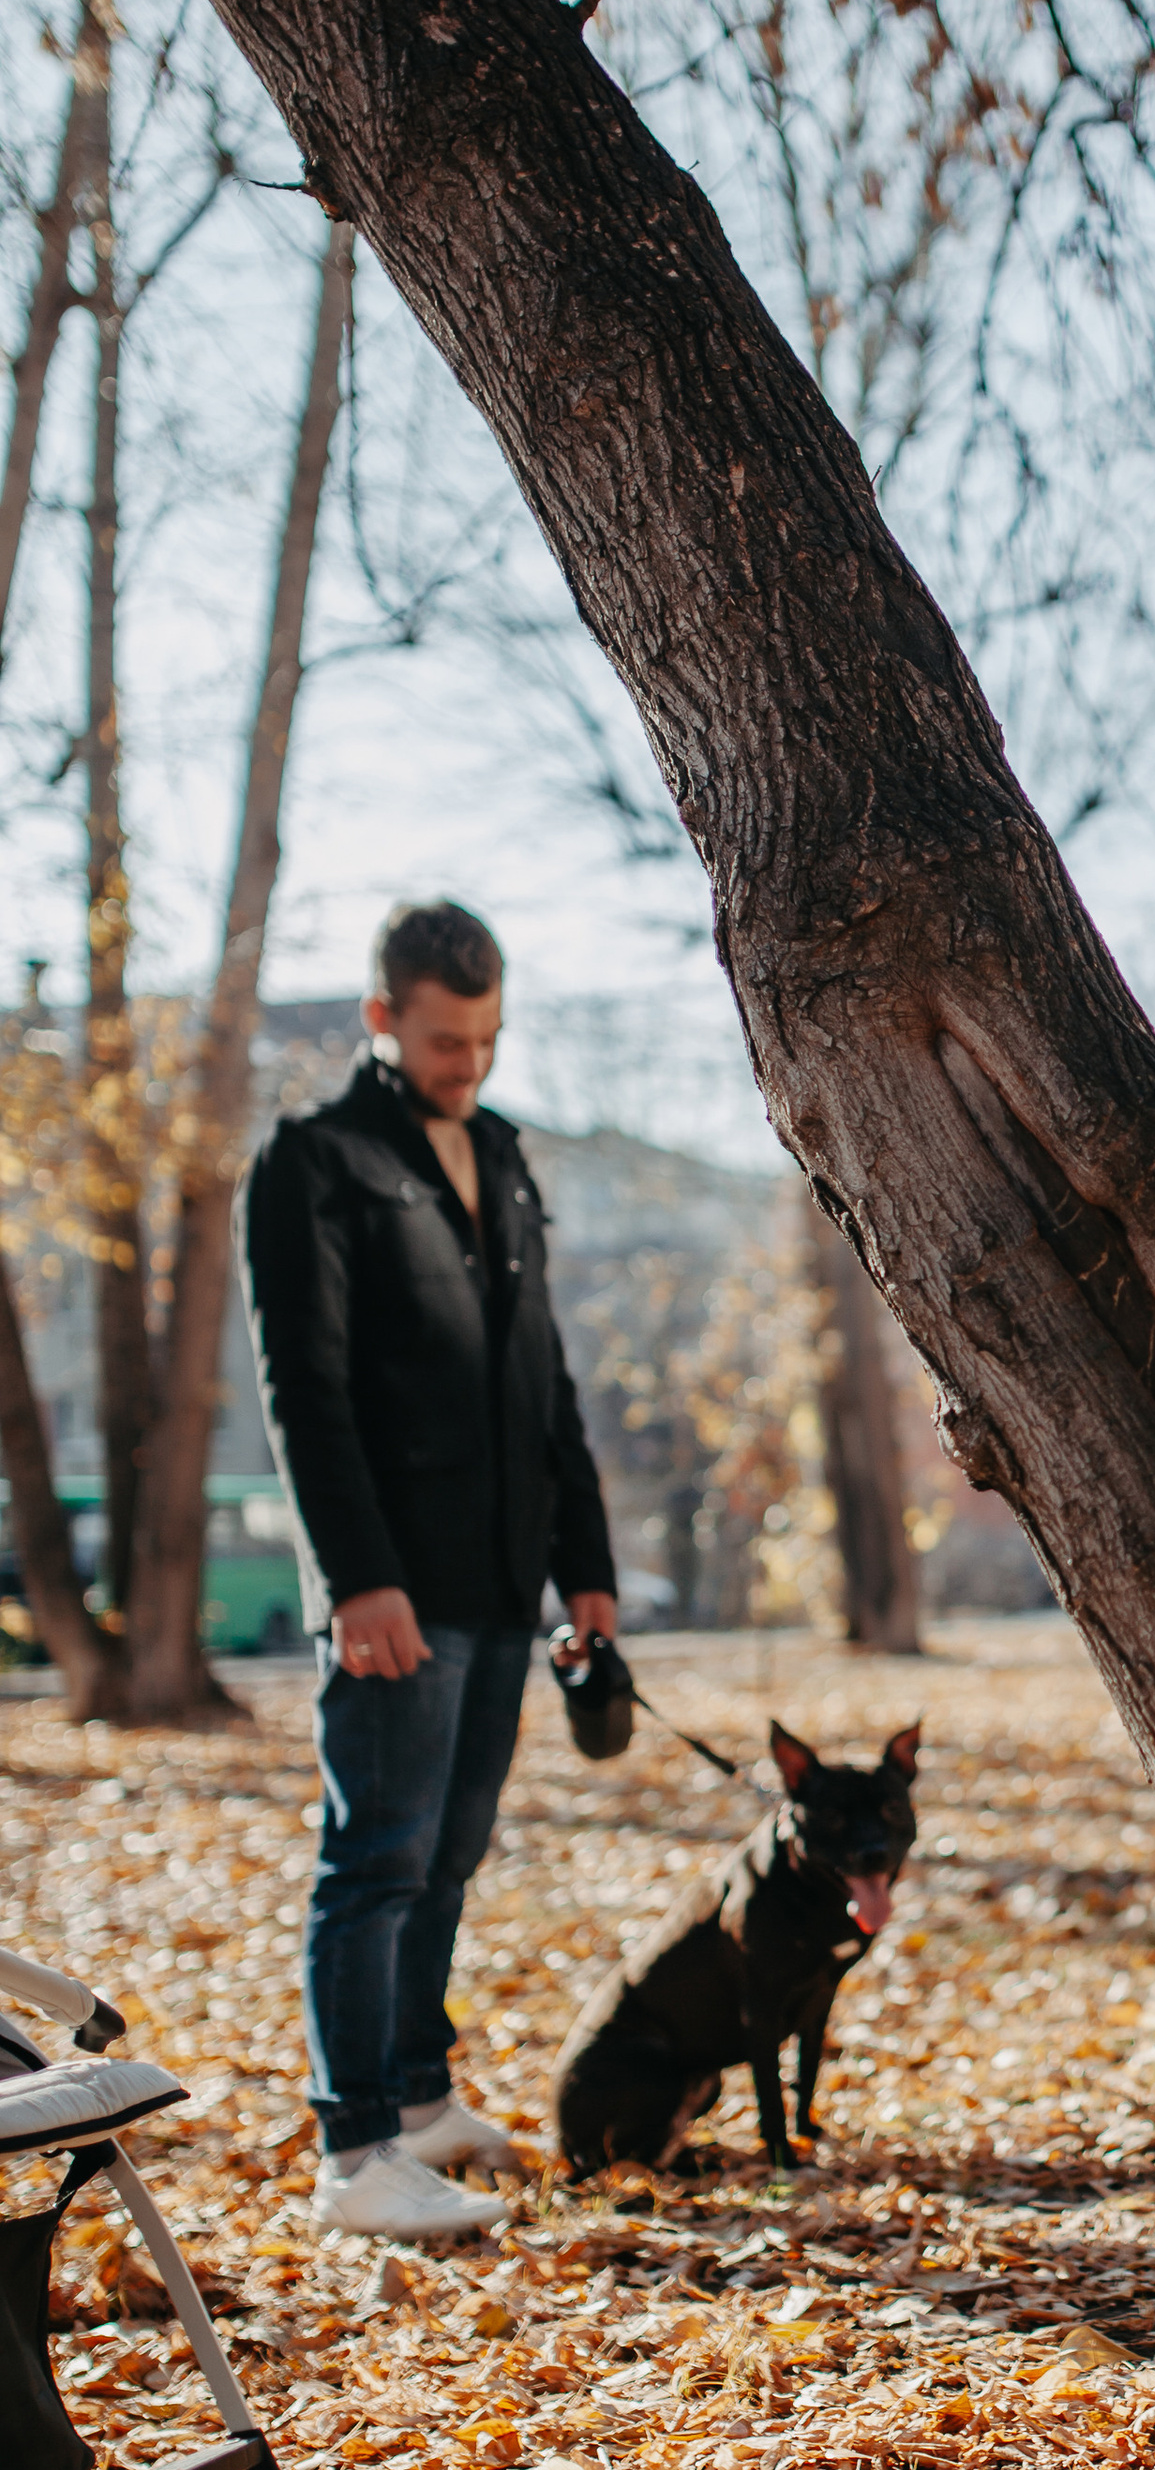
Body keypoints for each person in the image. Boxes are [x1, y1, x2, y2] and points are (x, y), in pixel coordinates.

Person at [238, 899, 619, 2239]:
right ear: (384, 1016)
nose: (470, 1063)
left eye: (487, 1038)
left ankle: (415, 2097)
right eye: (448, 1039)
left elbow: (544, 1375)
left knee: (450, 1853)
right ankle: (353, 2153)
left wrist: (586, 1564)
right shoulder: (314, 1161)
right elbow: (307, 1389)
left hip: (505, 1577)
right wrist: (355, 1581)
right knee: (377, 1856)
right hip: (393, 1585)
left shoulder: (505, 1157)